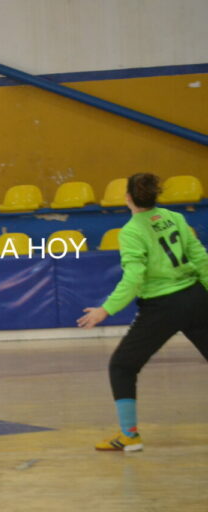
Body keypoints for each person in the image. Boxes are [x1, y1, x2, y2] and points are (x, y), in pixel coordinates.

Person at [77, 173, 208, 452]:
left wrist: (105, 309)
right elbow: (200, 257)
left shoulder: (132, 231)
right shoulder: (176, 218)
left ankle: (130, 435)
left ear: (127, 198)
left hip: (162, 307)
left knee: (123, 366)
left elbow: (134, 278)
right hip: (196, 298)